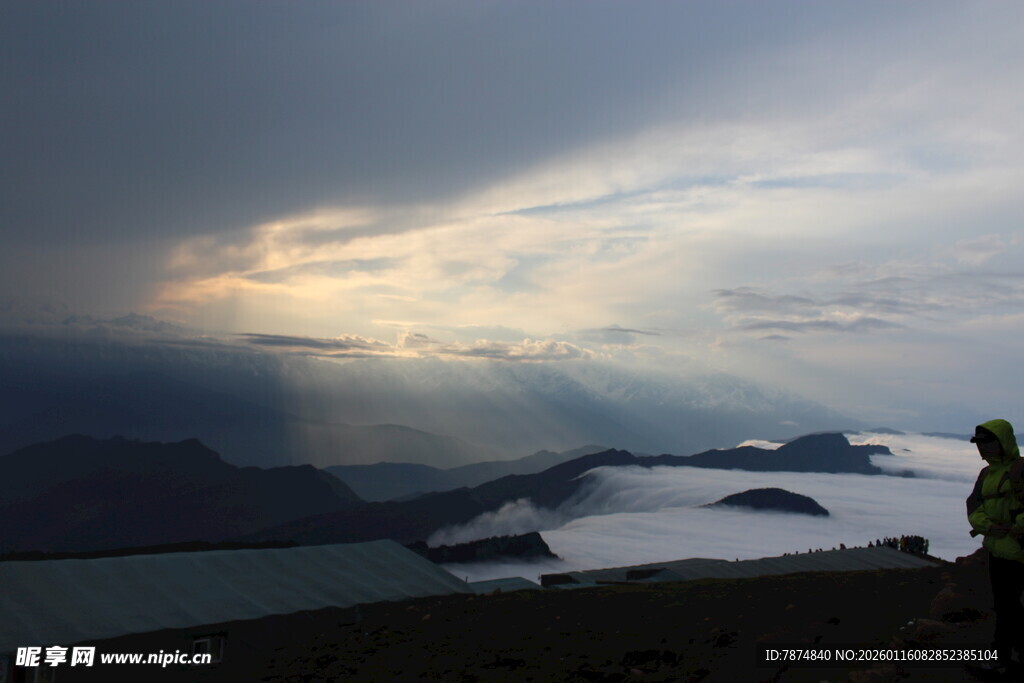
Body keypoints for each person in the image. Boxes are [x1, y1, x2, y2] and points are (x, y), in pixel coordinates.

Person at [966, 419, 1024, 673]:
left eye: (987, 442)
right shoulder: (986, 474)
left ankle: (1003, 658)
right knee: (1005, 606)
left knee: (1009, 606)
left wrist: (1017, 528)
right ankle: (1007, 656)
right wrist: (988, 527)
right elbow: (974, 506)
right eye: (979, 443)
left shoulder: (1020, 469)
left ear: (1003, 442)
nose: (982, 448)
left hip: (1019, 551)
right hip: (998, 550)